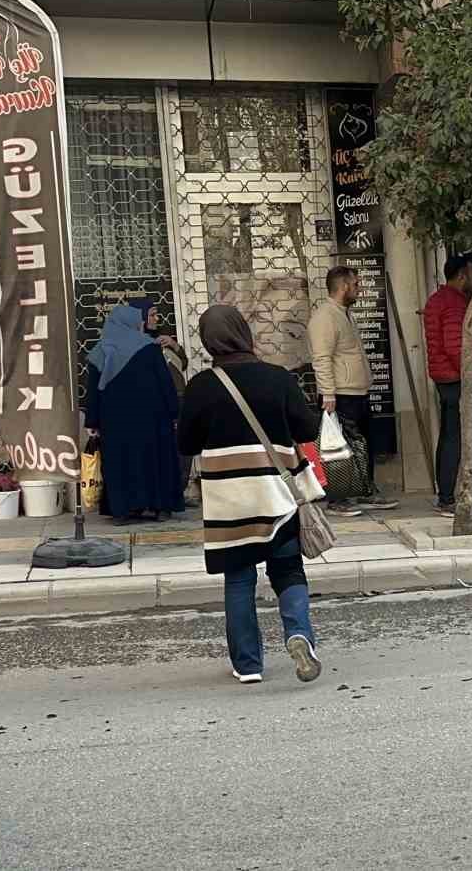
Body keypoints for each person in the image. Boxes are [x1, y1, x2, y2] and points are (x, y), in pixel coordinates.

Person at [177, 305, 324, 686]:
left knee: (239, 577)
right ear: (244, 333)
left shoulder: (201, 387)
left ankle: (248, 665)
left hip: (229, 501)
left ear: (209, 340)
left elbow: (186, 443)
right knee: (288, 569)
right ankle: (299, 635)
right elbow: (307, 428)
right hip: (276, 494)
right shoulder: (277, 379)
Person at [85, 304, 186, 525]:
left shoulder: (100, 351)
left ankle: (122, 510)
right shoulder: (149, 348)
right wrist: (174, 412)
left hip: (115, 422)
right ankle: (161, 507)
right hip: (153, 419)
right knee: (155, 461)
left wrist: (92, 421)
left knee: (120, 463)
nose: (141, 325)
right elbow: (165, 383)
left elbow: (93, 391)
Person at [309, 266, 397, 512]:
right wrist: (328, 392)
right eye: (356, 284)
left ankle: (366, 490)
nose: (359, 289)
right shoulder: (325, 317)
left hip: (357, 392)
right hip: (340, 395)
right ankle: (338, 499)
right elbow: (322, 358)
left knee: (363, 444)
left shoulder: (344, 313)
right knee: (340, 449)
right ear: (343, 286)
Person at [423, 253, 472, 517]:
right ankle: (451, 499)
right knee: (458, 439)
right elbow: (456, 346)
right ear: (462, 275)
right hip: (456, 378)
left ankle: (447, 497)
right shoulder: (453, 303)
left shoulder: (438, 300)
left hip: (445, 377)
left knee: (450, 436)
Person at [130, 298, 192, 507]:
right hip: (158, 405)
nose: (157, 318)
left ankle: (178, 492)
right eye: (152, 314)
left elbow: (182, 364)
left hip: (179, 400)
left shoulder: (162, 340)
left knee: (182, 450)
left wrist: (174, 345)